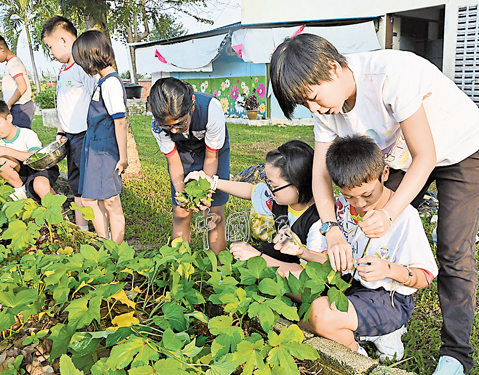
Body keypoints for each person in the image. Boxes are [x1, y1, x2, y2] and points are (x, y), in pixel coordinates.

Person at [270, 33, 479, 375]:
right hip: (400, 154)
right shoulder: (327, 109)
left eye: (312, 97)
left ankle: (456, 355)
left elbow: (425, 155)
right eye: (305, 105)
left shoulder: (389, 76)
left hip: (459, 147)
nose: (314, 109)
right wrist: (331, 230)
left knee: (452, 249)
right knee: (363, 215)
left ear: (331, 67)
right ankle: (375, 309)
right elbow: (321, 177)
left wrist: (389, 213)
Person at [273, 135, 438, 360]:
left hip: (388, 299)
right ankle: (363, 331)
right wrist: (301, 251)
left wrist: (388, 269)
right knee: (283, 280)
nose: (359, 205)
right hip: (347, 287)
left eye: (367, 194)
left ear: (385, 174)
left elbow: (424, 277)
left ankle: (358, 352)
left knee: (318, 315)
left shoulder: (404, 216)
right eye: (348, 196)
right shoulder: (338, 210)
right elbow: (334, 263)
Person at [186, 140, 325, 272]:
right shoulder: (280, 198)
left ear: (297, 185)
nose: (269, 189)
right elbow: (250, 191)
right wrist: (212, 182)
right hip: (286, 257)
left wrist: (257, 257)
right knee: (248, 260)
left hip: (305, 273)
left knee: (254, 260)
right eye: (269, 183)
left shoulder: (317, 222)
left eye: (274, 185)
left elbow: (308, 273)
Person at [149, 77, 230, 256]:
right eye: (168, 127)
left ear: (191, 106)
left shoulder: (211, 109)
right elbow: (173, 161)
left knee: (214, 211)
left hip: (213, 152)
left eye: (179, 123)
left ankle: (220, 269)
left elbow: (211, 157)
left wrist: (204, 192)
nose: (175, 131)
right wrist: (182, 195)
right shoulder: (157, 125)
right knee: (181, 211)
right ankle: (180, 265)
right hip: (182, 153)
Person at [71, 30, 128, 245]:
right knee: (91, 200)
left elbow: (120, 121)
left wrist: (123, 158)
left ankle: (117, 248)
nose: (82, 66)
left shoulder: (111, 83)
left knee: (111, 202)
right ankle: (106, 243)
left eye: (82, 61)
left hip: (105, 151)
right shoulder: (102, 81)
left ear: (91, 57)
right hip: (94, 149)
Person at [41, 16, 96, 232]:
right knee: (76, 184)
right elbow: (64, 104)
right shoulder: (64, 70)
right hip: (71, 136)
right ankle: (82, 230)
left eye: (50, 46)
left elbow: (96, 101)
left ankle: (103, 231)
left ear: (64, 40)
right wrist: (60, 130)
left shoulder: (84, 66)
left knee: (88, 186)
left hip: (86, 135)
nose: (51, 53)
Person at [0, 99, 59, 202]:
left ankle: (61, 214)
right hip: (15, 175)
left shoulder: (26, 134)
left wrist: (6, 150)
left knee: (40, 185)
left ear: (9, 118)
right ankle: (20, 191)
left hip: (37, 168)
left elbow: (36, 157)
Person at [0, 33, 34, 129]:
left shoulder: (14, 63)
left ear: (1, 48)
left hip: (20, 108)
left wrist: (8, 105)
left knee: (20, 138)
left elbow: (22, 86)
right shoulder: (10, 63)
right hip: (17, 107)